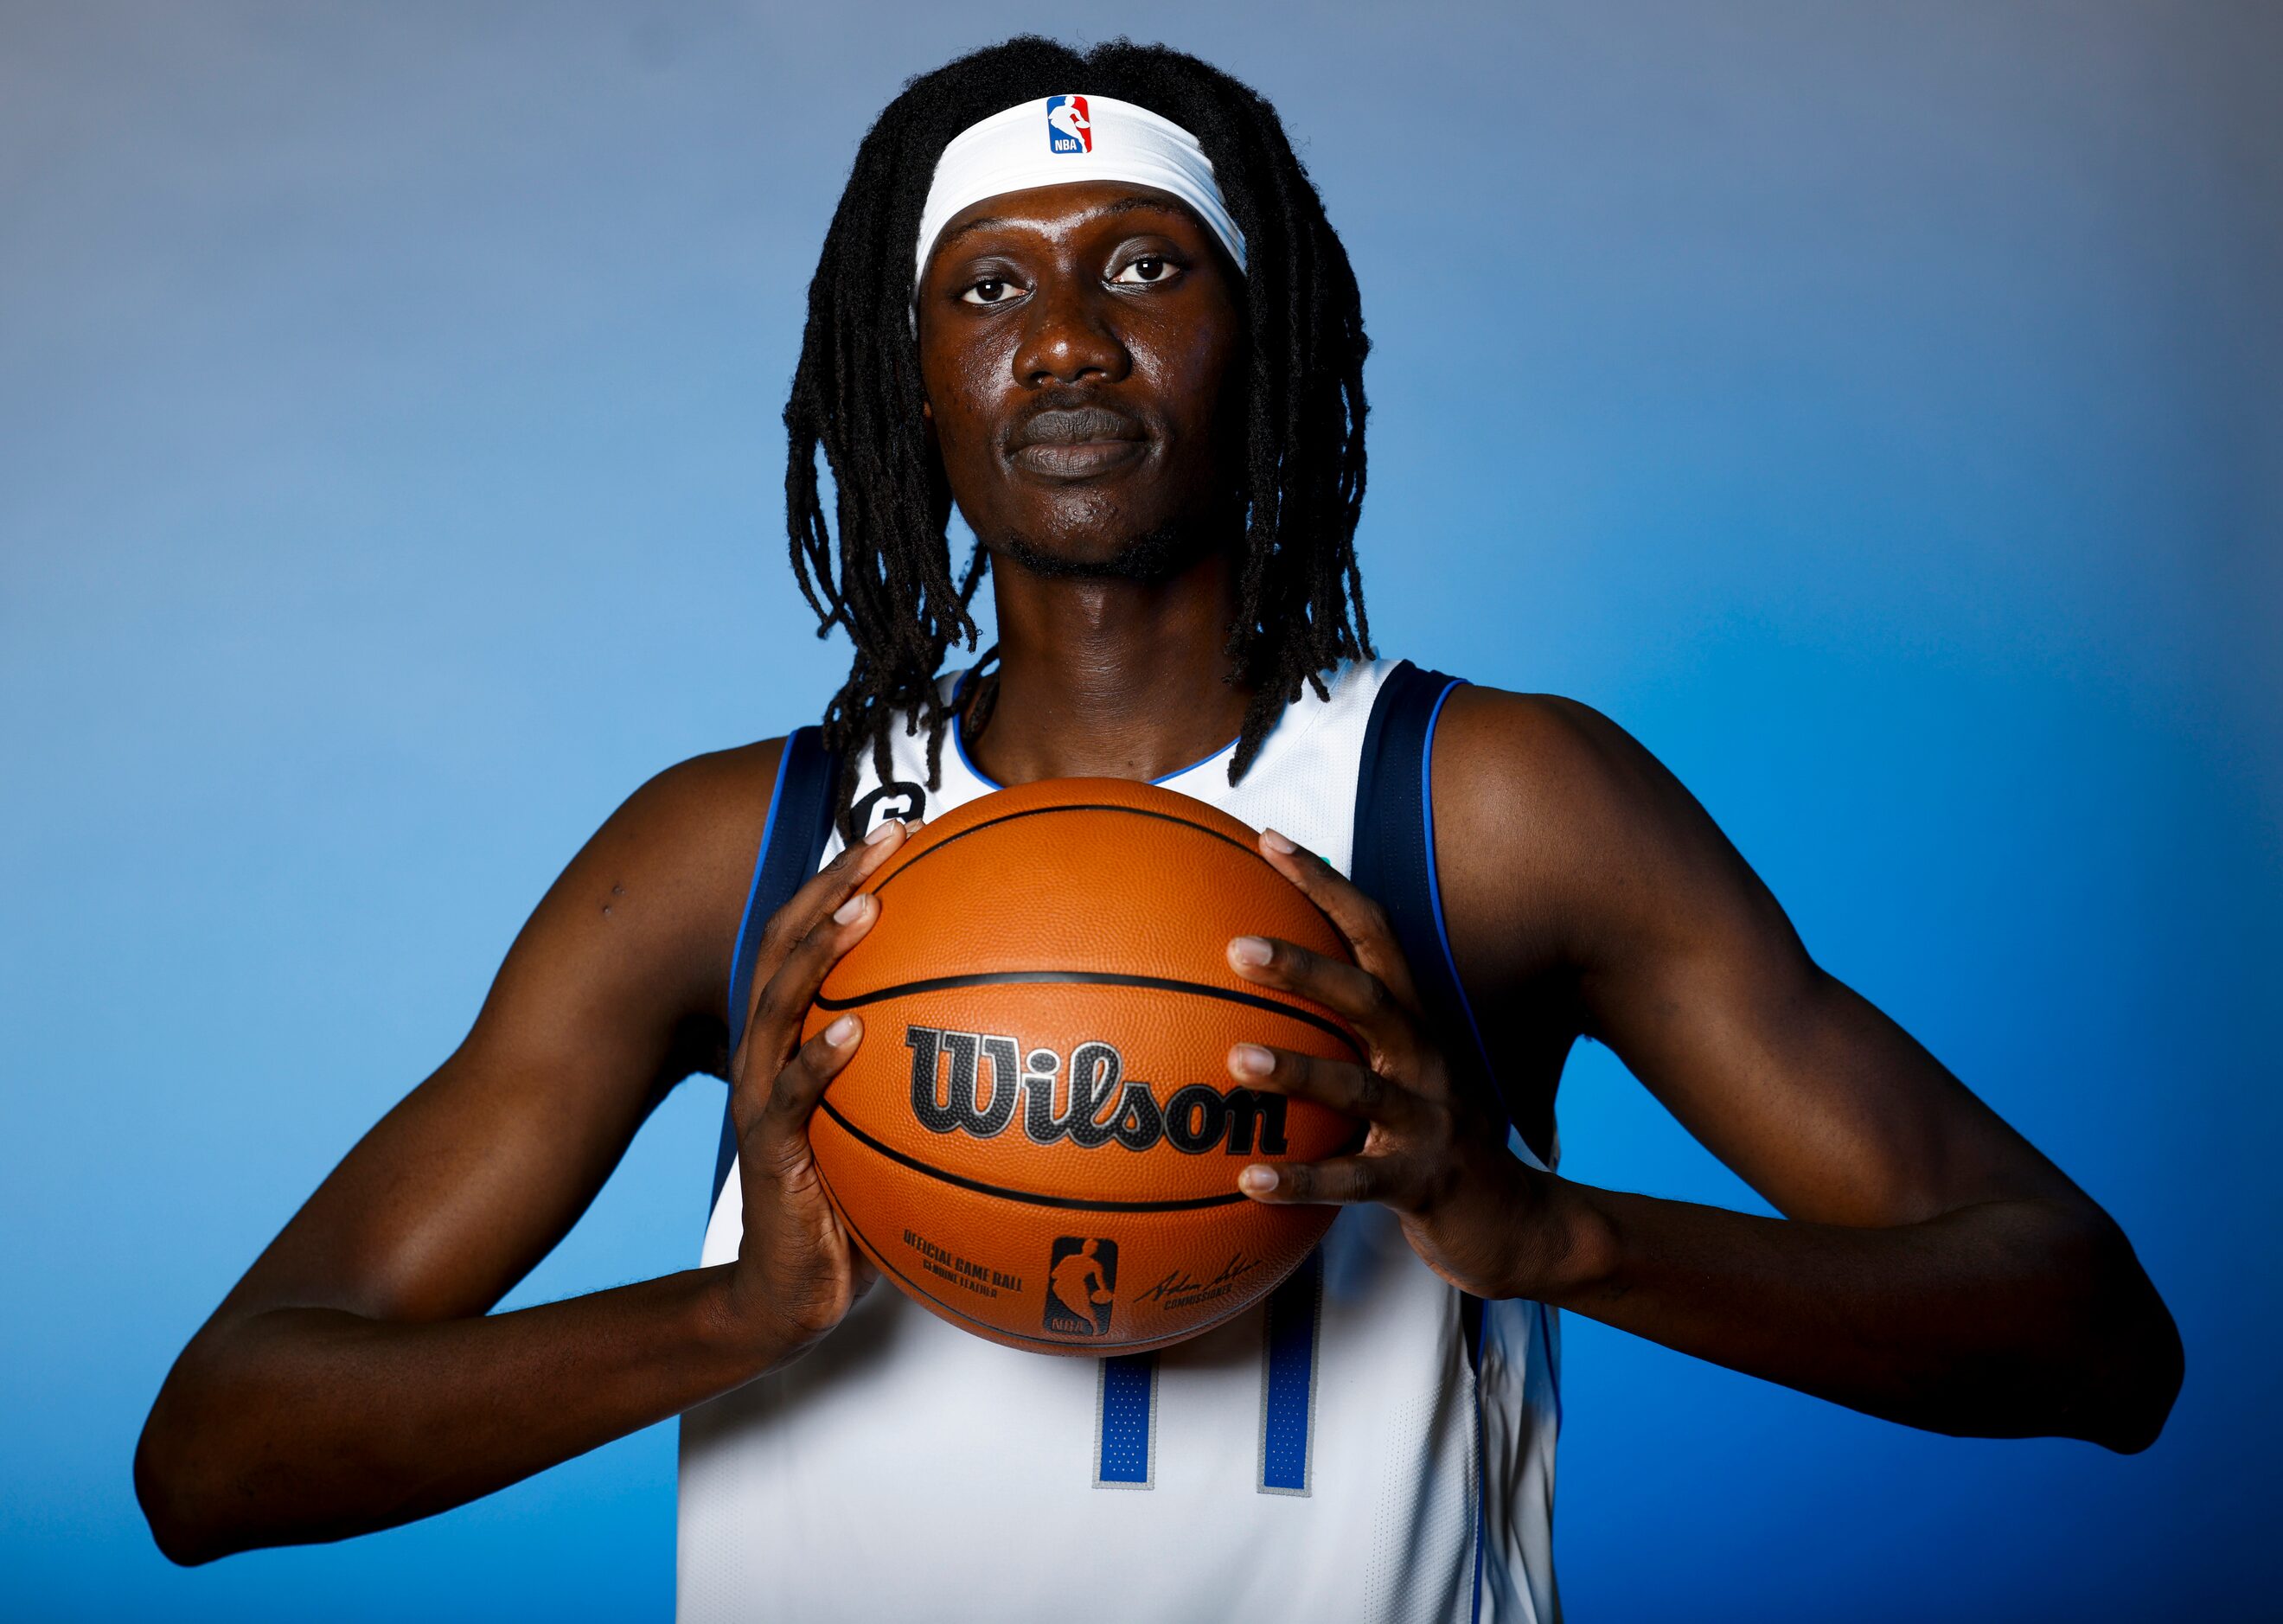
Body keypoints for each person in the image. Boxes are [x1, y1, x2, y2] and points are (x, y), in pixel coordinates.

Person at [134, 35, 2182, 1623]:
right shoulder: (738, 854)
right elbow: (217, 1458)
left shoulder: (1487, 812)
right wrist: (735, 1314)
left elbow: (2092, 1335)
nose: (1069, 339)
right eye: (989, 287)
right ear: (907, 380)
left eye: (1144, 266)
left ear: (1260, 344)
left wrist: (1548, 1232)